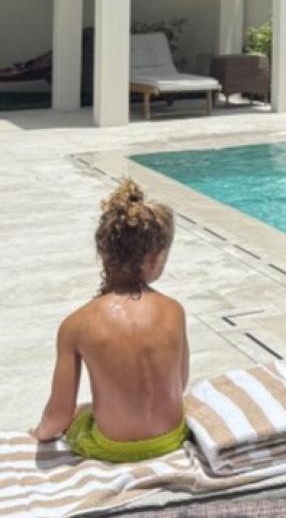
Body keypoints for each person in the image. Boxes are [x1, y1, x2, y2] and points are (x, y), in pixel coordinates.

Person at [30, 179, 190, 462]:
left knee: (82, 412)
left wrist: (40, 433)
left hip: (113, 447)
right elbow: (180, 381)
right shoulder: (174, 311)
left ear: (102, 253)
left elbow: (59, 415)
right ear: (157, 259)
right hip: (170, 438)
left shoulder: (77, 324)